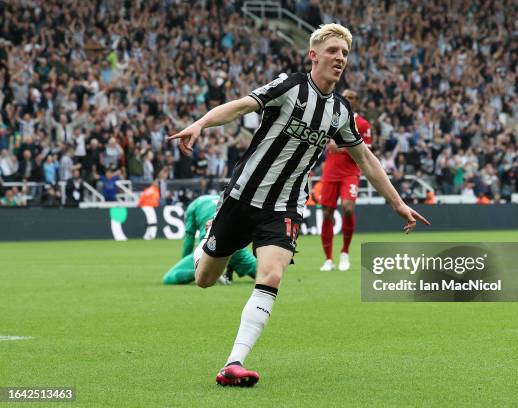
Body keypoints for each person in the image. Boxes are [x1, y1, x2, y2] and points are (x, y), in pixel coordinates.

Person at [168, 23, 429, 388]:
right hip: (242, 197)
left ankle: (233, 362)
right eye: (334, 51)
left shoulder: (340, 111)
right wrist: (201, 123)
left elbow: (366, 159)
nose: (340, 58)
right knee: (205, 279)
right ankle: (209, 238)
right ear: (314, 55)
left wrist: (398, 203)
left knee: (272, 274)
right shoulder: (290, 87)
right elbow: (242, 106)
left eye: (345, 53)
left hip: (285, 205)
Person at [318, 89, 372, 271]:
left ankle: (345, 253)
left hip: (350, 172)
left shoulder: (363, 124)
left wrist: (339, 147)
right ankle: (328, 259)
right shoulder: (332, 119)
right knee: (326, 213)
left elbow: (366, 151)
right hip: (330, 172)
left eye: (351, 98)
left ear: (355, 102)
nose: (348, 100)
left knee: (348, 208)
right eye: (345, 97)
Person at [162, 194, 257, 285]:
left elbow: (189, 239)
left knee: (168, 278)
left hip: (209, 245)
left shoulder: (193, 206)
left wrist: (184, 262)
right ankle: (221, 272)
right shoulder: (223, 198)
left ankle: (203, 273)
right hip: (235, 245)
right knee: (264, 275)